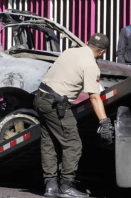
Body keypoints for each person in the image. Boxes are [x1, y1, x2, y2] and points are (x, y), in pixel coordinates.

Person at [34, 33, 114, 198]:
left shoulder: (70, 51)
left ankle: (50, 186)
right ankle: (66, 186)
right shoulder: (91, 65)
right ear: (102, 51)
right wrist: (104, 121)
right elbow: (94, 96)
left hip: (40, 98)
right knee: (73, 144)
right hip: (56, 105)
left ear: (87, 42)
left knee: (48, 142)